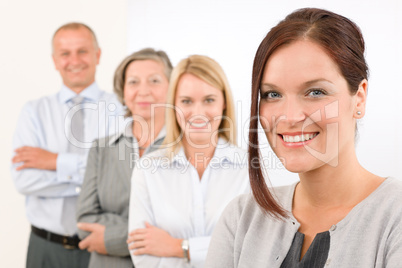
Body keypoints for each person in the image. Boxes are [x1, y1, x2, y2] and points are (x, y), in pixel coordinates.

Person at [205, 8, 402, 268]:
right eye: (273, 94)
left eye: (315, 91)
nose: (289, 117)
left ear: (360, 98)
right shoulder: (243, 217)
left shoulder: (394, 217)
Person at [11, 23, 122, 268]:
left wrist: (55, 162)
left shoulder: (122, 109)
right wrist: (92, 180)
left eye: (82, 51)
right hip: (45, 248)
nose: (74, 60)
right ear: (54, 60)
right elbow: (24, 180)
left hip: (104, 248)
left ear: (98, 55)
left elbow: (121, 178)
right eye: (65, 53)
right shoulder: (34, 112)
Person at [127, 55, 250, 268]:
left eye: (209, 100)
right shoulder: (148, 169)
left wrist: (179, 247)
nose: (198, 113)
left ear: (223, 103)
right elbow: (143, 255)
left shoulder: (249, 168)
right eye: (186, 101)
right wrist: (217, 249)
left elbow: (250, 249)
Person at [76, 48, 172, 268]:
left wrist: (110, 238)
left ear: (171, 87)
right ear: (123, 90)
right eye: (133, 82)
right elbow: (85, 222)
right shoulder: (102, 148)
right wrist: (154, 239)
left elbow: (183, 229)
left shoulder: (187, 150)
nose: (143, 90)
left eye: (154, 81)